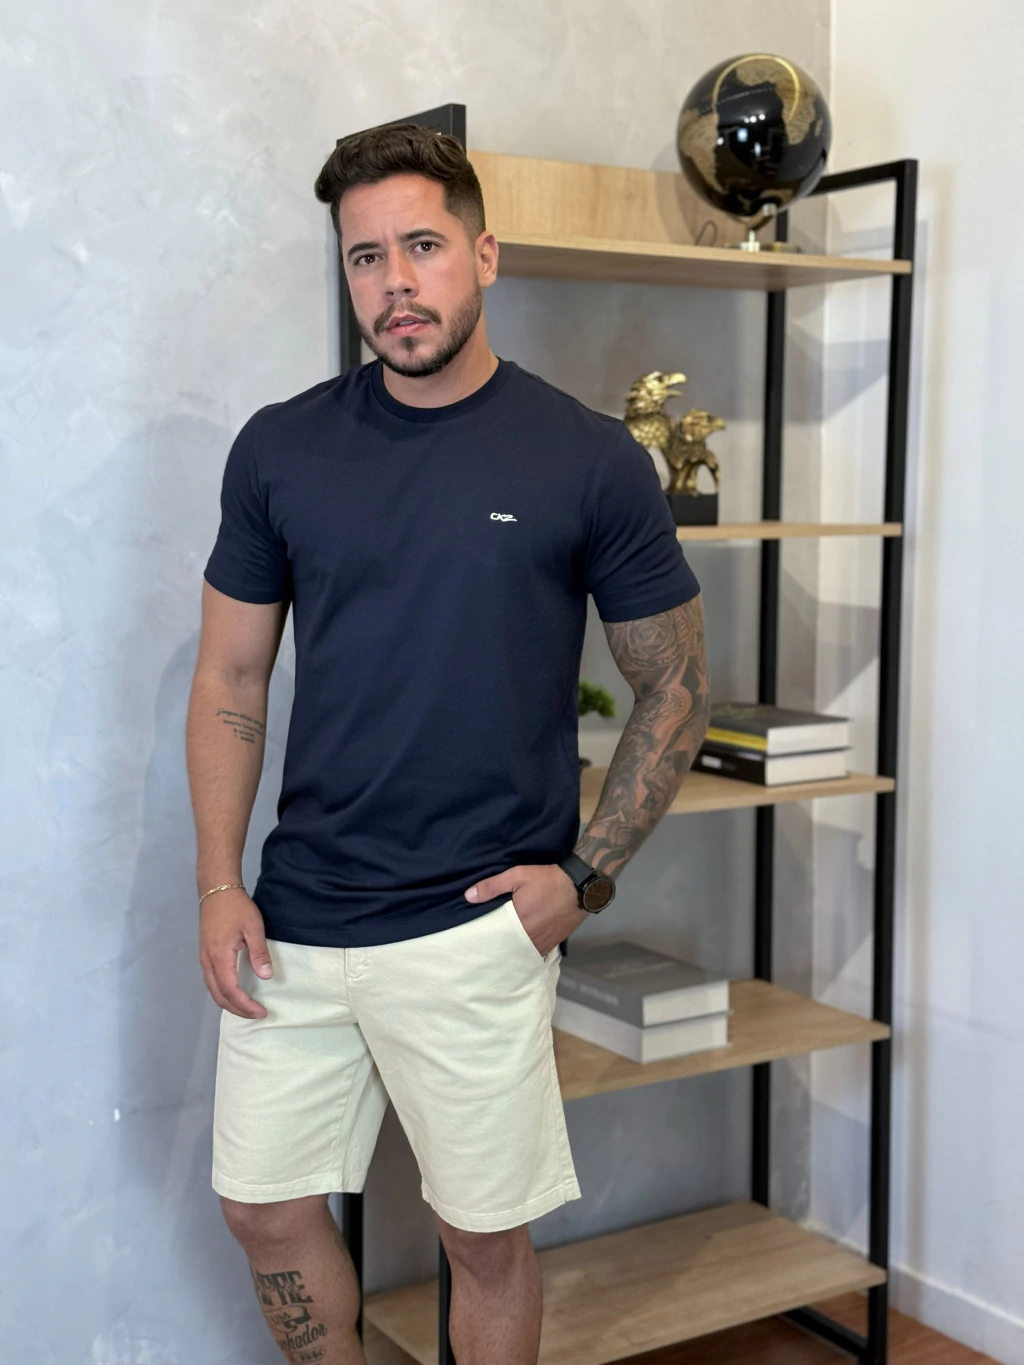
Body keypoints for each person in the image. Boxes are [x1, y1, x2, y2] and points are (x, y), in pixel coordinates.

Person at [185, 121, 710, 1365]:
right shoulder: (281, 448)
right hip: (297, 919)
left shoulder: (587, 458)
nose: (394, 283)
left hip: (474, 927)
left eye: (421, 247)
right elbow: (231, 676)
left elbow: (676, 685)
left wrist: (581, 878)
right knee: (261, 1209)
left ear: (483, 255)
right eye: (365, 257)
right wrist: (217, 885)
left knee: (481, 1240)